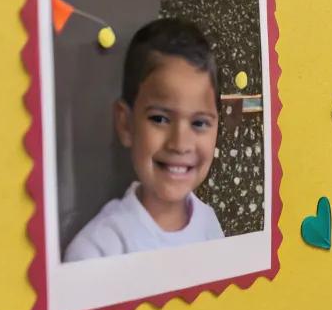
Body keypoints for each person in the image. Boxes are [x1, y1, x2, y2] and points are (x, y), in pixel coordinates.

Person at [64, 18, 224, 260]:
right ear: (126, 124)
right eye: (160, 119)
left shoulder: (210, 226)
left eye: (199, 123)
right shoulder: (97, 250)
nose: (180, 144)